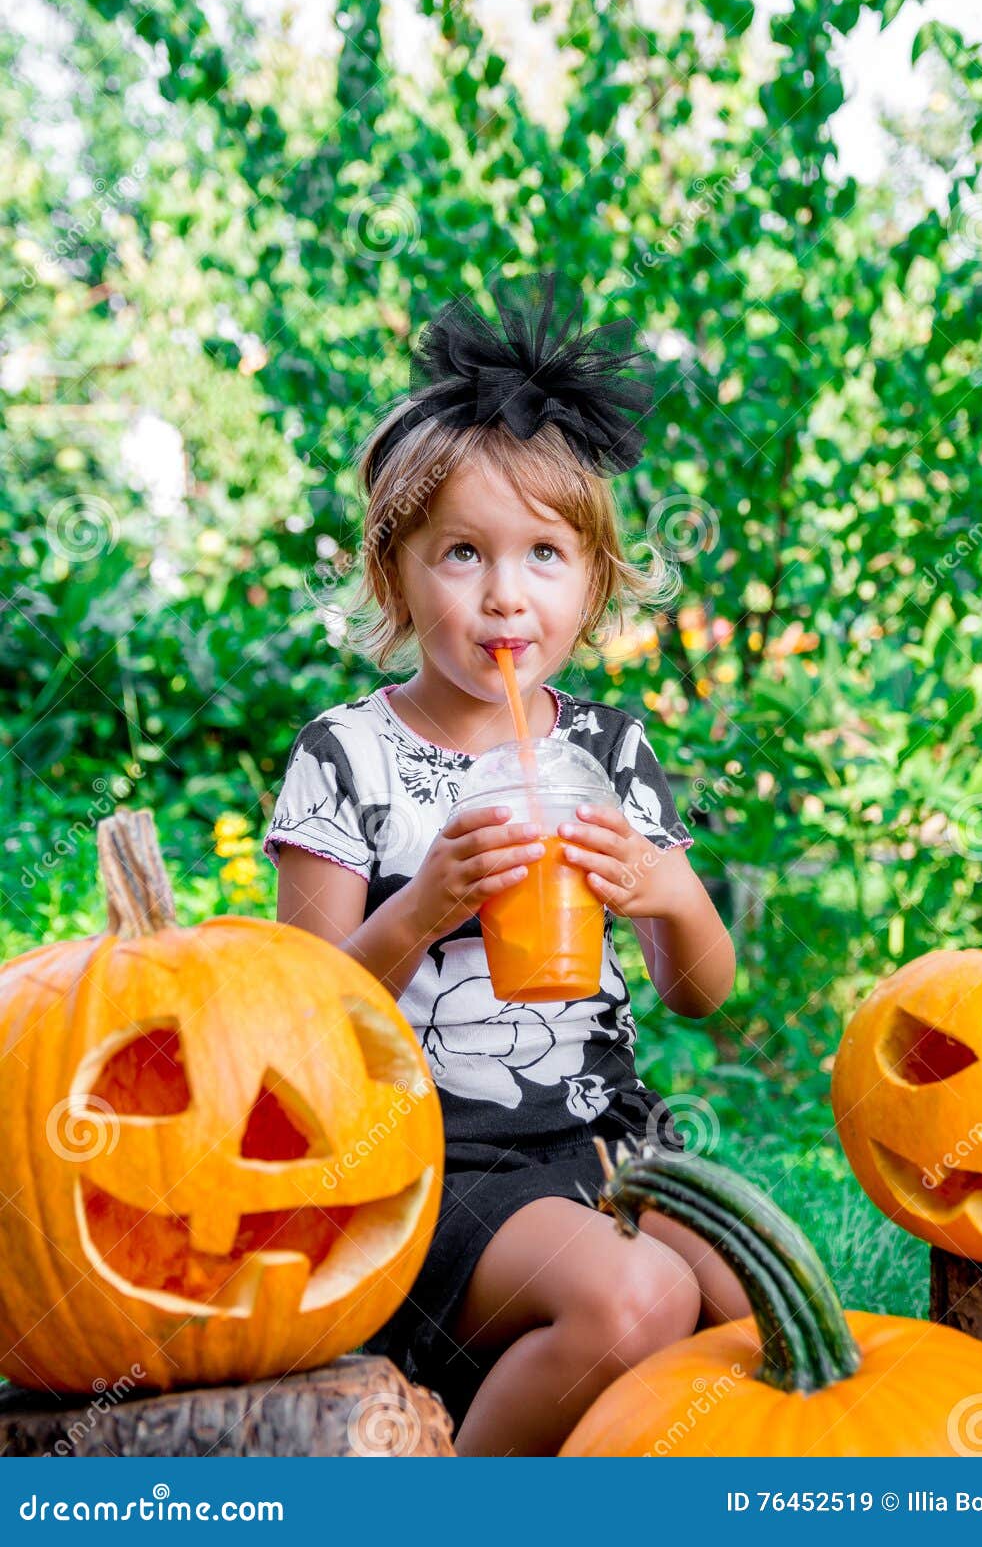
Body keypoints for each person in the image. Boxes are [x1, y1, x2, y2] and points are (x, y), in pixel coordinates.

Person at [263, 271, 748, 1456]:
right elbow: (295, 1026)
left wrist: (668, 892)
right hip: (429, 1160)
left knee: (766, 1317)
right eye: (460, 553)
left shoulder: (605, 749)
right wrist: (421, 909)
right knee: (635, 1301)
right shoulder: (351, 755)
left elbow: (701, 992)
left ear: (591, 582)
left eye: (541, 553)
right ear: (394, 573)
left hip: (611, 1138)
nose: (502, 596)